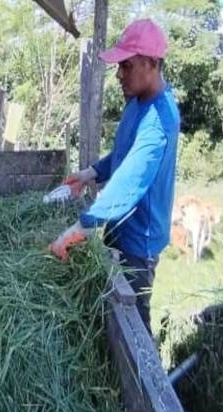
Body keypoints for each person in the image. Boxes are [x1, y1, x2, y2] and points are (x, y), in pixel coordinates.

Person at [48, 19, 180, 333]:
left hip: (139, 242)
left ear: (151, 64)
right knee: (111, 308)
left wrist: (80, 226)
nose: (119, 74)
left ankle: (151, 379)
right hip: (119, 225)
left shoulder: (161, 120)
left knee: (135, 323)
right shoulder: (137, 101)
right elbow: (123, 155)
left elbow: (129, 184)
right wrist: (90, 173)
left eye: (127, 65)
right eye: (119, 66)